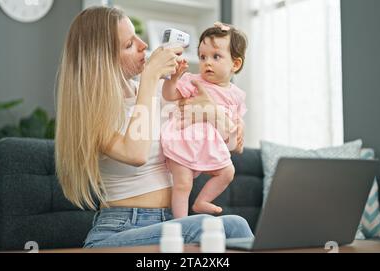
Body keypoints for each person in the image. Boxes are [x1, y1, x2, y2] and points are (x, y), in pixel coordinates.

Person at [55, 7, 253, 248]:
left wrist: (215, 113)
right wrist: (150, 78)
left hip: (172, 223)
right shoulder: (91, 112)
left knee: (229, 230)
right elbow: (135, 154)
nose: (142, 45)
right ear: (103, 58)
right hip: (120, 230)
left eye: (138, 36)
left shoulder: (163, 92)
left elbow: (232, 145)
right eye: (129, 44)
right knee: (233, 227)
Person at [161, 22, 248, 218]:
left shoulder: (237, 95)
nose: (207, 62)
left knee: (228, 172)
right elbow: (169, 95)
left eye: (216, 56)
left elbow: (237, 125)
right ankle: (181, 224)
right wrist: (173, 80)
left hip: (210, 146)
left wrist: (239, 125)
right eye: (202, 56)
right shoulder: (194, 81)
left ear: (235, 64)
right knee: (183, 184)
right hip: (182, 141)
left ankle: (202, 201)